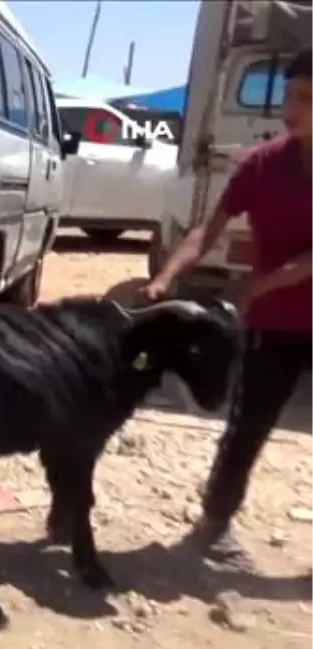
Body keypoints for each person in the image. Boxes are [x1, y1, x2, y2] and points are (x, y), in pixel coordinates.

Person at [143, 48, 313, 571]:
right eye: (289, 95)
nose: (292, 107)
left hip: (272, 302)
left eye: (306, 98)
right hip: (274, 328)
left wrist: (259, 284)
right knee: (247, 427)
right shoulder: (263, 166)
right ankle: (214, 524)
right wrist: (166, 277)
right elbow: (206, 230)